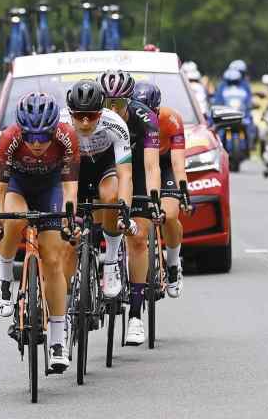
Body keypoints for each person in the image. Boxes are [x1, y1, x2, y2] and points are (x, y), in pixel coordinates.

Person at [0, 92, 79, 373]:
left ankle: (57, 340)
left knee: (53, 260)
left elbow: (69, 188)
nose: (37, 144)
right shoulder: (9, 138)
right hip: (18, 185)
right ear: (21, 131)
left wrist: (69, 219)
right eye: (31, 137)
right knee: (12, 220)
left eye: (43, 137)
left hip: (51, 187)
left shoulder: (67, 137)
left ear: (54, 130)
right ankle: (4, 276)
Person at [98, 69, 160, 346]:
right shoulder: (92, 119)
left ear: (129, 101)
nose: (113, 109)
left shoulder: (145, 118)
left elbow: (150, 165)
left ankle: (135, 315)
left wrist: (154, 197)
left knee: (137, 239)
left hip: (136, 171)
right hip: (105, 170)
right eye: (107, 103)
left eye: (119, 103)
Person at [64, 78, 135, 301]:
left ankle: (111, 261)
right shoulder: (59, 123)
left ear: (101, 112)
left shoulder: (115, 124)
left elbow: (125, 174)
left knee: (111, 197)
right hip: (72, 167)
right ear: (70, 112)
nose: (85, 123)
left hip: (102, 165)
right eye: (79, 116)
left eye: (92, 116)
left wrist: (124, 209)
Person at [133, 81, 189, 299]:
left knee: (170, 214)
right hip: (141, 163)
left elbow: (177, 162)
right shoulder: (129, 119)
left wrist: (183, 188)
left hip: (165, 164)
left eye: (152, 112)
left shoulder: (171, 119)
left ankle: (173, 264)